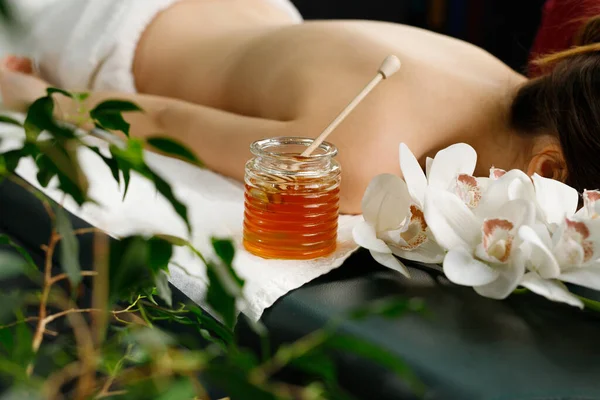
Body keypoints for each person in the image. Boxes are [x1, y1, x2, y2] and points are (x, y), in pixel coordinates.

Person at [0, 0, 597, 214]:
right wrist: (41, 102)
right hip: (108, 33)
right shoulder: (359, 163)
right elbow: (165, 121)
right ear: (547, 171)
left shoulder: (497, 78)